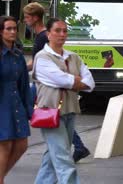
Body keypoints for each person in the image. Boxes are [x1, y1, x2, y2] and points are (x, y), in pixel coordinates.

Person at [23, 2, 91, 163]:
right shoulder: (40, 36)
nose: (25, 20)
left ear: (35, 18)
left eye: (27, 17)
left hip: (46, 85)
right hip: (49, 84)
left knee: (45, 114)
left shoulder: (43, 37)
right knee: (51, 116)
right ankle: (65, 147)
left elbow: (38, 62)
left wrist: (20, 68)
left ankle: (72, 146)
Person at [33, 18, 95, 184]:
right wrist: (75, 81)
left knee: (52, 157)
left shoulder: (73, 56)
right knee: (63, 158)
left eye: (65, 31)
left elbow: (90, 83)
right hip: (50, 112)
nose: (62, 34)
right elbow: (63, 80)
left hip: (69, 110)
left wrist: (73, 81)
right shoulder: (42, 57)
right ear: (48, 34)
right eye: (57, 30)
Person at [0, 16, 33, 184]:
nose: (13, 32)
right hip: (2, 105)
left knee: (22, 146)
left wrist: (29, 110)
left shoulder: (18, 55)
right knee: (4, 147)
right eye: (8, 29)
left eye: (14, 28)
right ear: (1, 32)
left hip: (16, 105)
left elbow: (24, 85)